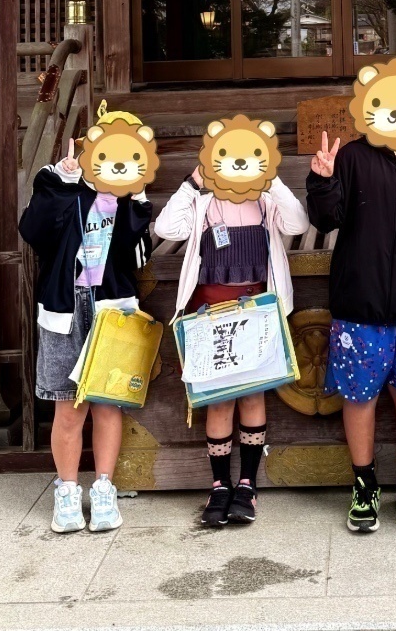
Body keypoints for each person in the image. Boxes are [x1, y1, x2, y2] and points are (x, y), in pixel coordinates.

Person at [307, 130, 396, 533]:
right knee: (359, 397)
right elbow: (325, 218)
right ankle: (364, 485)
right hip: (359, 307)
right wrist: (322, 179)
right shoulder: (352, 157)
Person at [155, 153, 308, 526]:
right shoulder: (203, 202)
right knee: (219, 402)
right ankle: (220, 485)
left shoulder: (265, 200)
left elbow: (298, 222)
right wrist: (191, 184)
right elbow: (165, 228)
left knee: (254, 395)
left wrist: (272, 180)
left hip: (255, 311)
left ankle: (247, 485)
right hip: (210, 312)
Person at [19, 137, 153, 534]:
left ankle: (104, 489)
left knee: (107, 404)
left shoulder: (127, 198)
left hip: (111, 308)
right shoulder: (63, 189)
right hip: (65, 307)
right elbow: (33, 230)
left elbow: (138, 256)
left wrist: (135, 199)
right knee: (68, 406)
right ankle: (67, 491)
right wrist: (64, 179)